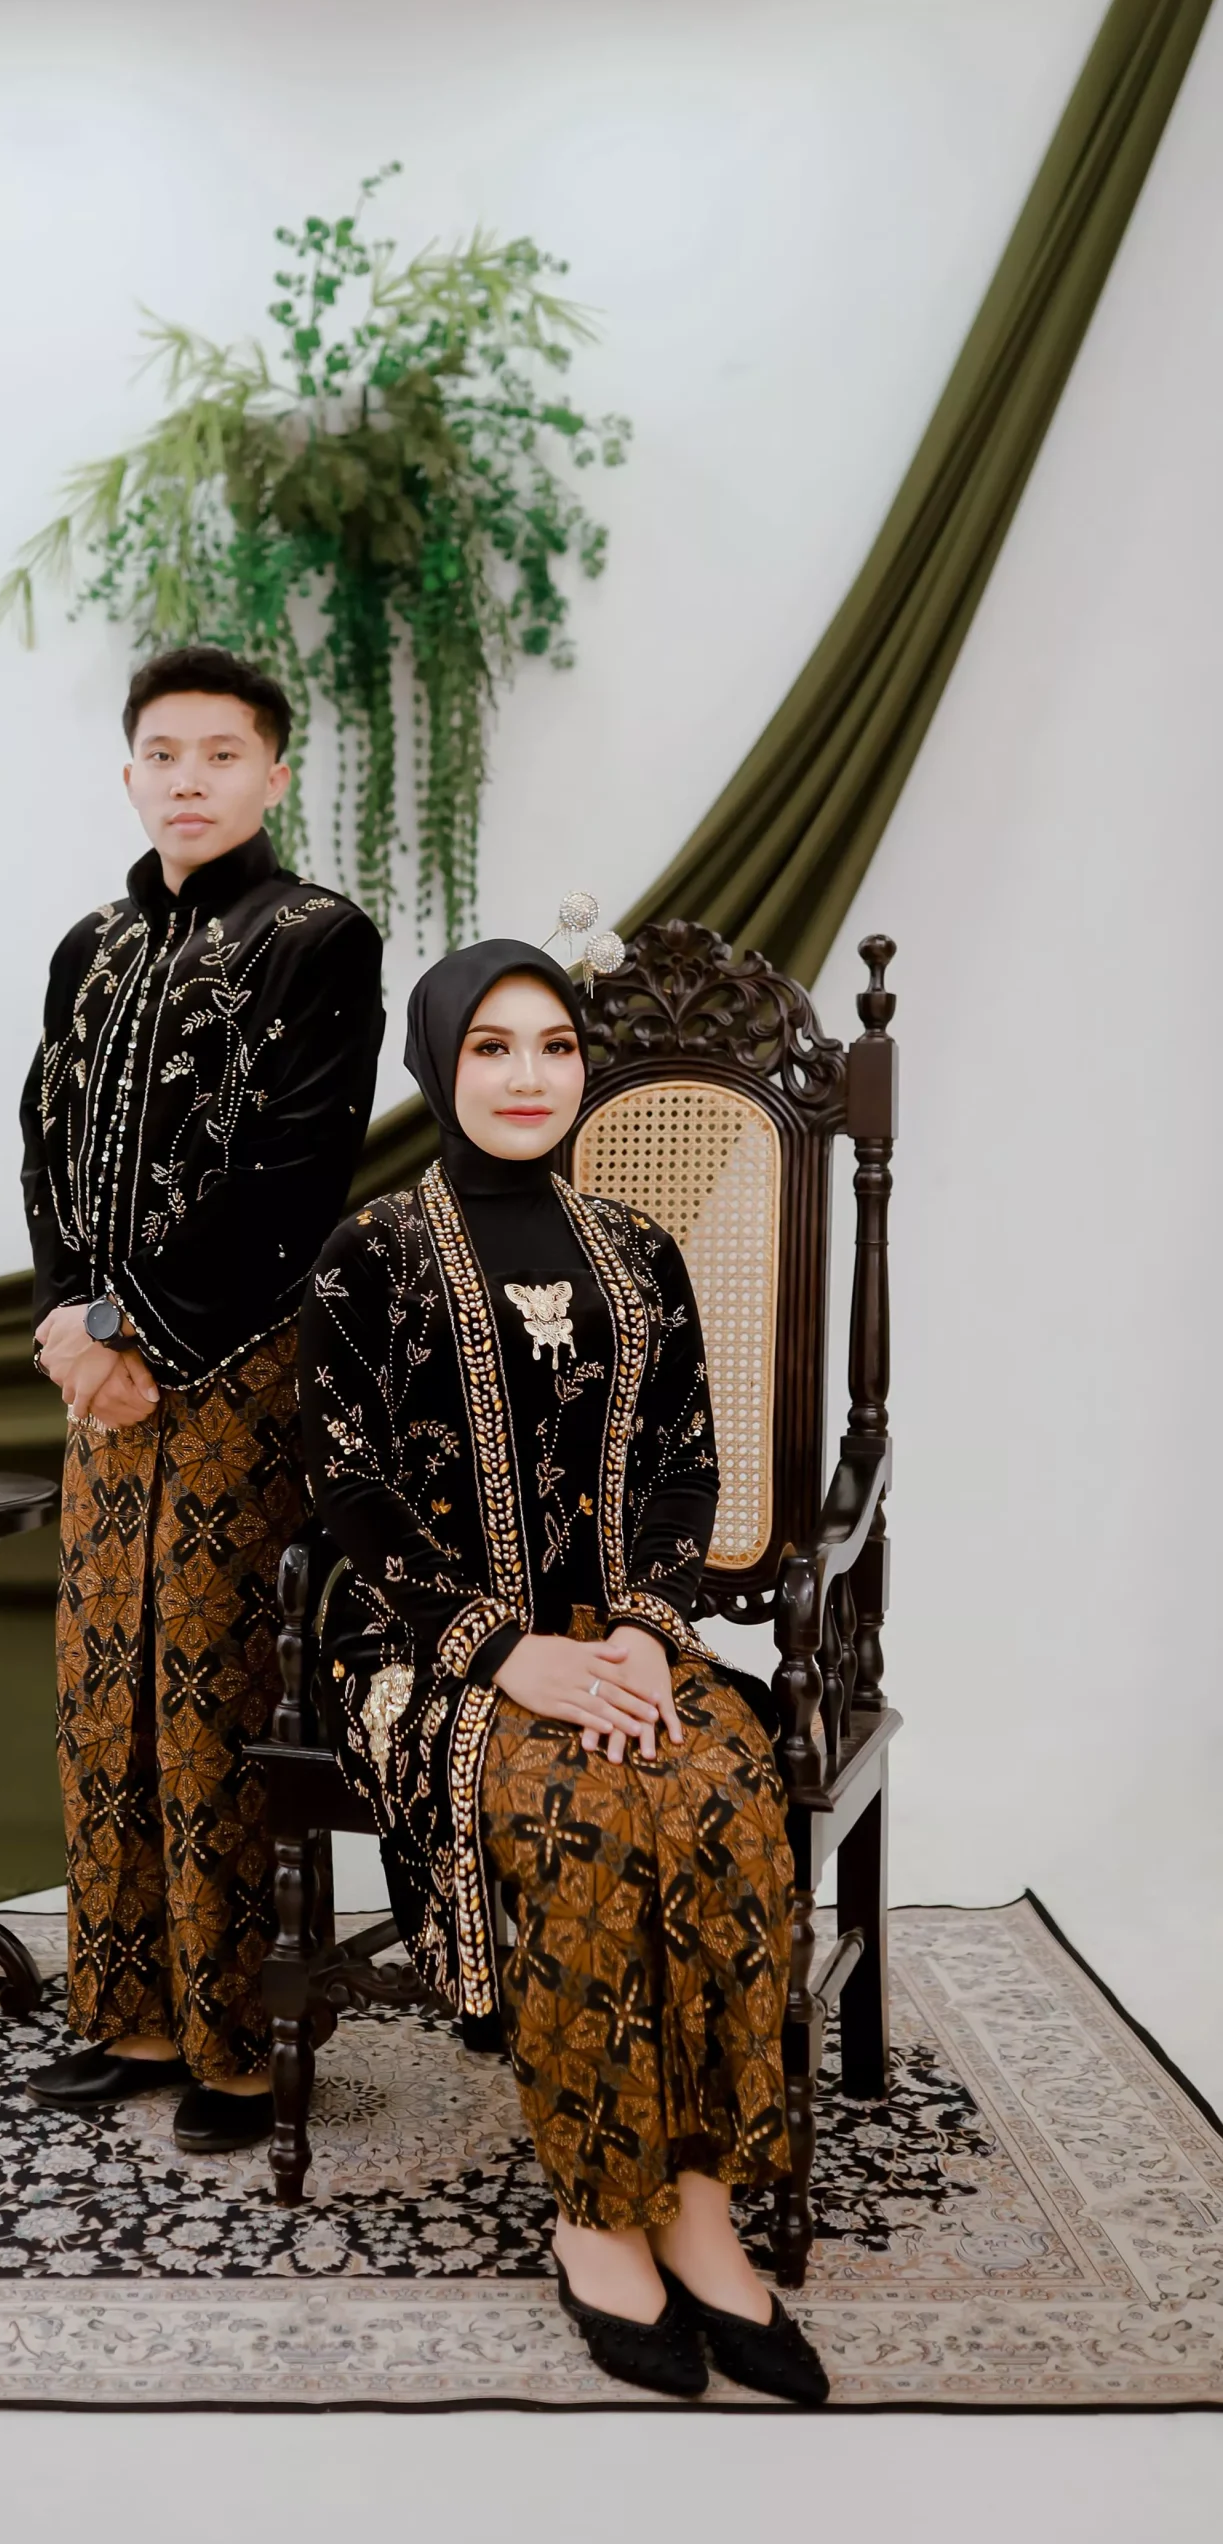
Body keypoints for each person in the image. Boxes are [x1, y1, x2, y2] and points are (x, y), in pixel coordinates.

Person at [297, 938, 827, 2401]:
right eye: (491, 1048)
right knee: (584, 1813)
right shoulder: (369, 1257)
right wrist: (504, 1654)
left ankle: (699, 2206)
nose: (528, 1077)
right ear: (437, 1065)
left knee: (717, 1794)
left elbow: (683, 1469)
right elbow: (348, 1495)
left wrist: (646, 1631)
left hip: (622, 1640)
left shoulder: (637, 1249)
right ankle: (596, 2213)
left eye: (553, 1046)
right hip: (427, 1651)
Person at [21, 644, 384, 2153]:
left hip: (238, 1368)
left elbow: (298, 1173)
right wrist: (71, 1324)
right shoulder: (92, 945)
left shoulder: (318, 937)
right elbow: (44, 1144)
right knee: (106, 1682)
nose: (189, 779)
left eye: (221, 754)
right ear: (129, 774)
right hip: (100, 1379)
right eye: (163, 754)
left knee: (218, 1686)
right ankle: (129, 2015)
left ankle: (241, 2043)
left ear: (272, 775)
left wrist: (137, 1333)